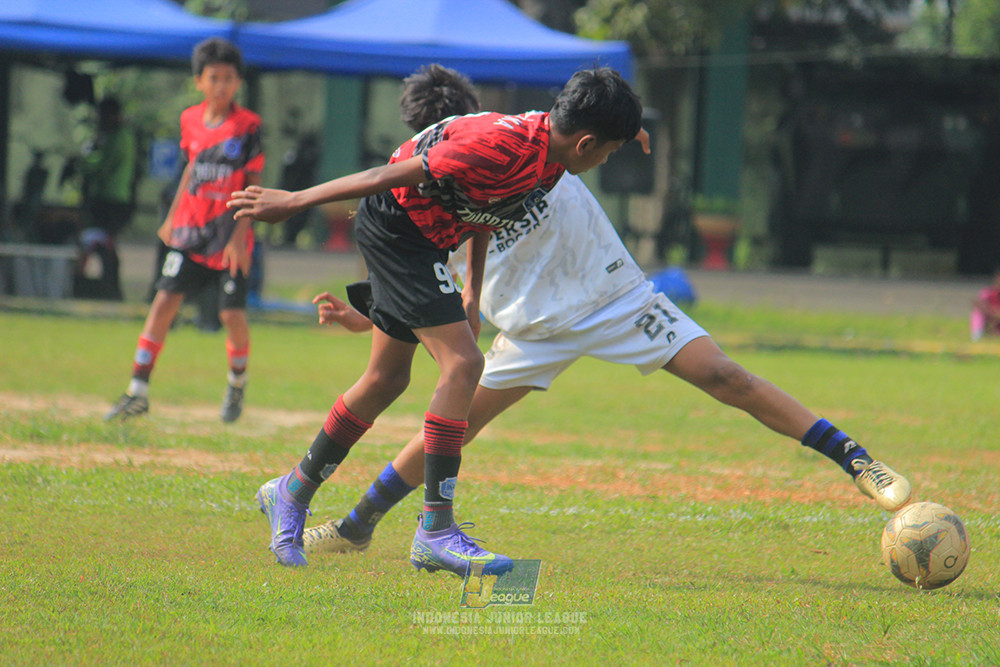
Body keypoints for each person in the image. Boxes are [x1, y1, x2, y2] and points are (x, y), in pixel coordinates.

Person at [300, 65, 913, 568]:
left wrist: (632, 133)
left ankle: (855, 458)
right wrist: (373, 318)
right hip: (531, 329)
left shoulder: (541, 147)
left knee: (726, 377)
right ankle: (359, 524)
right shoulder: (440, 189)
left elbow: (591, 122)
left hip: (615, 298)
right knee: (454, 425)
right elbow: (416, 277)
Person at [226, 65, 645, 571]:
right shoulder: (501, 145)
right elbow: (384, 175)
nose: (606, 160)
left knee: (385, 379)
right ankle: (436, 530)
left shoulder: (550, 156)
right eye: (609, 150)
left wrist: (472, 287)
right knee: (464, 365)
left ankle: (290, 491)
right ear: (585, 143)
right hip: (400, 232)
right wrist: (296, 200)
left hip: (426, 240)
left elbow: (485, 207)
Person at [104, 37, 264, 424]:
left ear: (238, 82)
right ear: (199, 81)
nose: (222, 85)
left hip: (228, 239)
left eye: (229, 78)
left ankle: (236, 384)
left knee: (231, 316)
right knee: (163, 303)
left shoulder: (248, 127)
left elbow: (253, 184)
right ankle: (137, 390)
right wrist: (172, 216)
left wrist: (241, 237)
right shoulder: (190, 120)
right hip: (191, 234)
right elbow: (191, 169)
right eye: (214, 77)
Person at [77, 96, 138, 300]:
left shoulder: (120, 137)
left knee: (105, 245)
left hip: (113, 200)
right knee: (102, 244)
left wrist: (82, 163)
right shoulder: (113, 136)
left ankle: (111, 289)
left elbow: (103, 166)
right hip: (108, 198)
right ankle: (108, 287)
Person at [970, 269, 1000, 341]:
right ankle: (977, 335)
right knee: (977, 312)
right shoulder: (988, 293)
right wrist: (993, 312)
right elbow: (979, 303)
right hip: (992, 315)